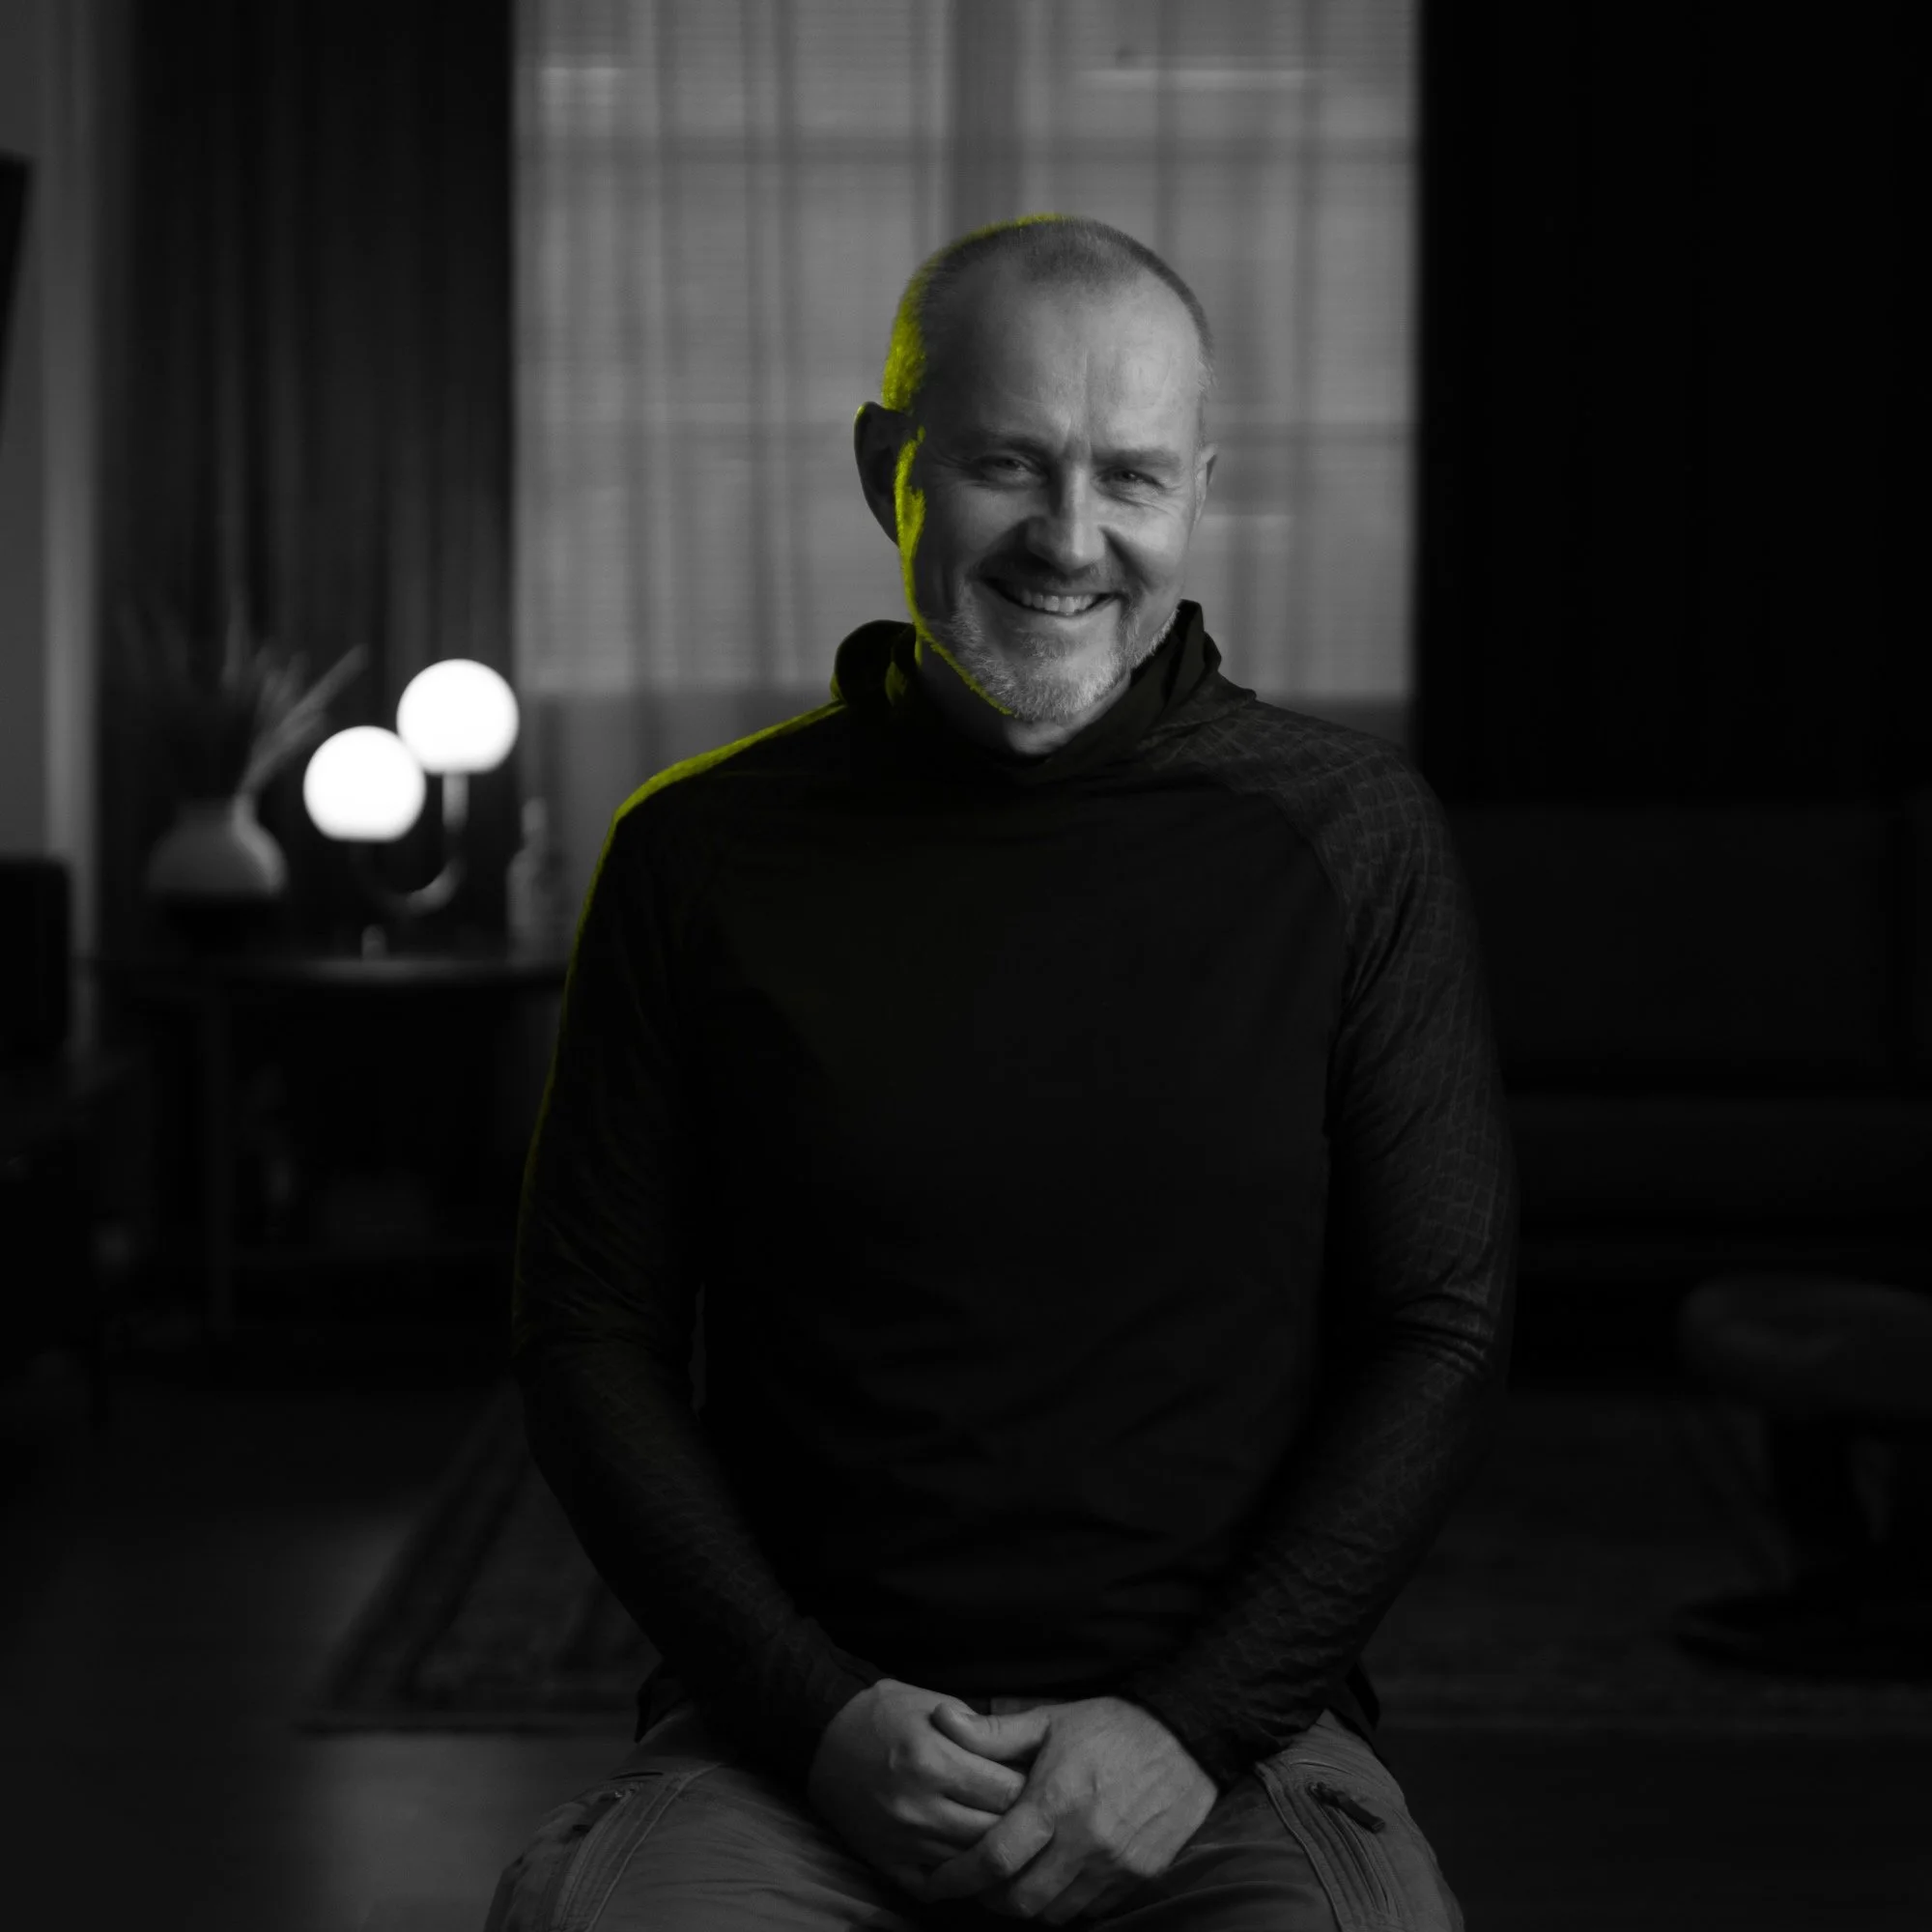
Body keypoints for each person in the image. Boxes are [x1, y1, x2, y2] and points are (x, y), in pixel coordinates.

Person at [487, 213, 1518, 1931]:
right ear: (889, 467)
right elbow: (585, 1337)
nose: (1068, 538)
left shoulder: (1356, 840)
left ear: (1198, 490)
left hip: (1228, 1756)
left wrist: (1189, 1727)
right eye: (1005, 465)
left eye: (1130, 478)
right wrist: (813, 1714)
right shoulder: (697, 855)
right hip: (785, 1742)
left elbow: (1443, 1327)